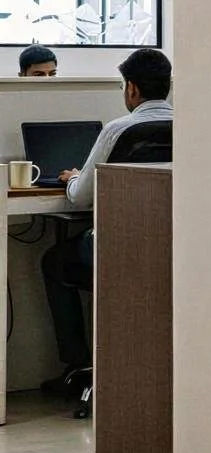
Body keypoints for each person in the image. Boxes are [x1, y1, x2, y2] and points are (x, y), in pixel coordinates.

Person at [41, 48, 173, 392]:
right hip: (172, 245)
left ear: (131, 89)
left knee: (54, 260)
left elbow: (80, 196)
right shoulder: (189, 128)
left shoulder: (119, 129)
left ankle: (77, 361)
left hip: (118, 246)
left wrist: (72, 177)